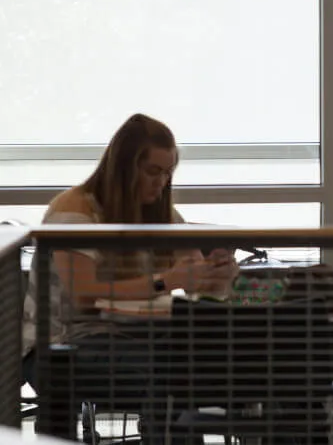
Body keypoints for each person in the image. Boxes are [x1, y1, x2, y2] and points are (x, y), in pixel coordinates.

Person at [21, 113, 238, 441]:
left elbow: (193, 270)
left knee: (205, 366)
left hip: (133, 335)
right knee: (173, 377)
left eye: (167, 173)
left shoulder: (158, 211)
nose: (161, 182)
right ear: (124, 167)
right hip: (66, 340)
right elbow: (84, 295)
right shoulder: (74, 211)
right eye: (153, 171)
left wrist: (216, 275)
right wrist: (168, 280)